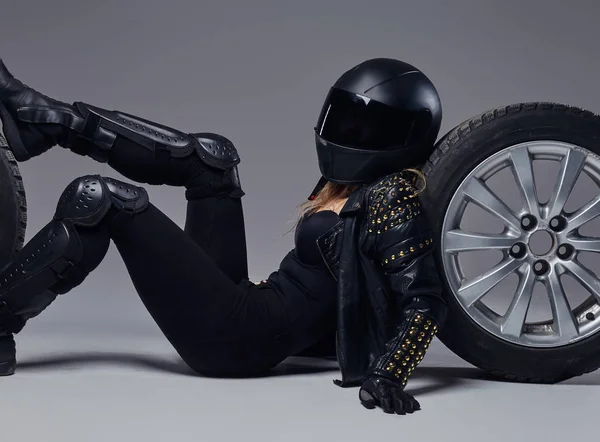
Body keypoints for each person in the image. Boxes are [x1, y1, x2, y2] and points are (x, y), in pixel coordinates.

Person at [0, 57, 447, 415]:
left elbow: (424, 300)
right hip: (247, 304)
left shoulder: (392, 197)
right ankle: (48, 120)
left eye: (364, 127)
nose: (347, 133)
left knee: (99, 199)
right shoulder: (351, 187)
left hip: (238, 340)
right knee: (213, 159)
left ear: (400, 138)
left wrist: (389, 375)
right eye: (344, 119)